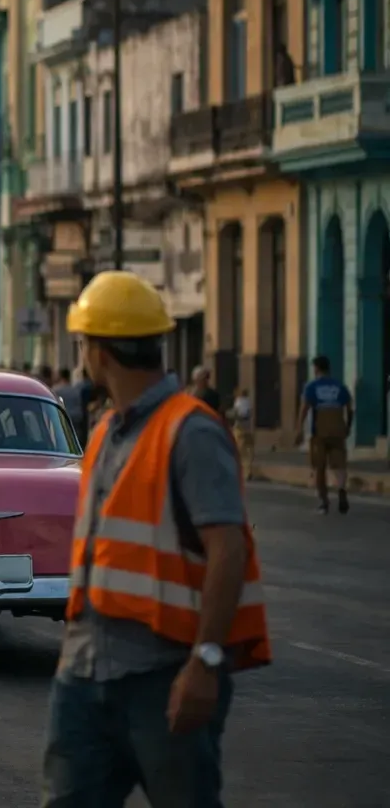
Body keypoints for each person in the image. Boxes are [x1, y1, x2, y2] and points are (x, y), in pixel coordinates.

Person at [42, 271, 270, 808]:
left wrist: (206, 661)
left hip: (164, 680)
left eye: (83, 341)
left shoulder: (192, 431)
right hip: (84, 675)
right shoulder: (104, 434)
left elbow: (228, 548)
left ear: (98, 351)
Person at [296, 354, 352, 515]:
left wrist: (299, 428)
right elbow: (349, 407)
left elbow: (304, 408)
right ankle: (341, 490)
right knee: (339, 465)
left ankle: (323, 501)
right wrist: (347, 426)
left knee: (319, 467)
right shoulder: (339, 385)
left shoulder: (312, 386)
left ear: (316, 369)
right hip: (337, 429)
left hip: (319, 431)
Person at [229, 388, 254, 481]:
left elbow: (239, 414)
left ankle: (239, 472)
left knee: (239, 451)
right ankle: (248, 472)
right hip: (249, 429)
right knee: (248, 452)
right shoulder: (249, 402)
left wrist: (230, 415)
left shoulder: (239, 402)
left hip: (239, 429)